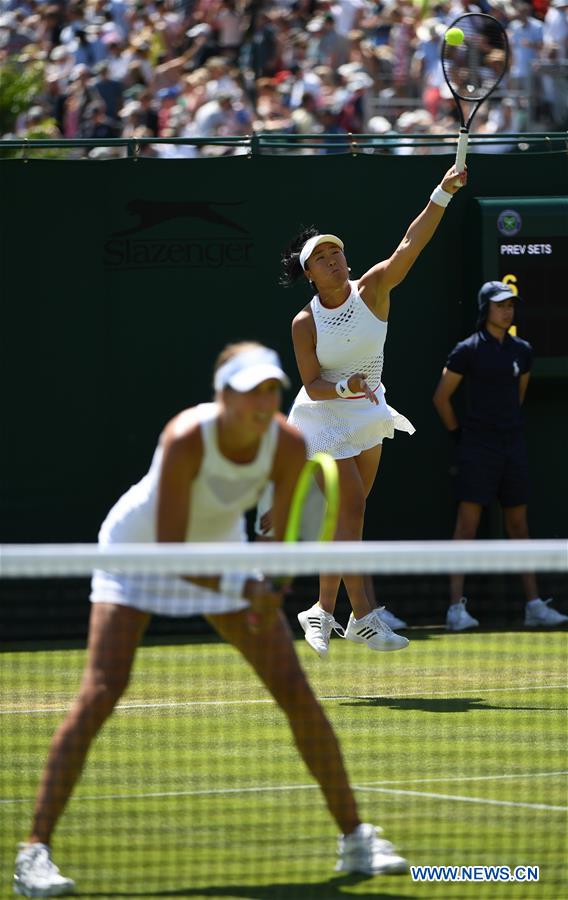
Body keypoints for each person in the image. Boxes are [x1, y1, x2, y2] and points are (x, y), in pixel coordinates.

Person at [13, 342, 408, 898]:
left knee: (294, 690)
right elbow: (173, 550)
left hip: (221, 549)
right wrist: (245, 586)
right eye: (250, 391)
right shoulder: (185, 438)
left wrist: (270, 581)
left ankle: (356, 839)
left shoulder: (288, 443)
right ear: (222, 395)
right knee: (103, 689)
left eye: (271, 390)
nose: (263, 401)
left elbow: (282, 526)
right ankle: (34, 853)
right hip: (141, 551)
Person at [259, 164, 467, 660]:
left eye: (337, 252)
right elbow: (312, 383)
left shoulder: (374, 288)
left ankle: (324, 612)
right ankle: (365, 616)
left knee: (348, 518)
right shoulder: (304, 322)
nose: (334, 260)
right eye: (322, 258)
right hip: (319, 417)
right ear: (308, 273)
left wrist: (443, 191)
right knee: (347, 507)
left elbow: (410, 245)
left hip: (367, 412)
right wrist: (347, 384)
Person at [432, 282, 568, 631]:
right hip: (477, 448)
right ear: (485, 309)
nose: (507, 311)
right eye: (500, 305)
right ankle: (454, 609)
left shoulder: (522, 351)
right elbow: (441, 398)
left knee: (519, 525)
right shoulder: (467, 351)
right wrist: (461, 437)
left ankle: (533, 605)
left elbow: (518, 394)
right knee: (467, 526)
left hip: (512, 446)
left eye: (511, 305)